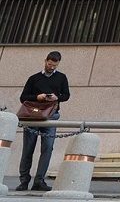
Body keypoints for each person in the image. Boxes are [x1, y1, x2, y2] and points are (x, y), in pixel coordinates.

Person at [17, 51, 70, 192]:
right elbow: (23, 97)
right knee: (28, 149)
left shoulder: (62, 77)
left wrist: (56, 97)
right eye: (49, 64)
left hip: (51, 116)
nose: (51, 67)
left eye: (54, 65)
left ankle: (39, 181)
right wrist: (38, 97)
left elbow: (66, 95)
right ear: (45, 61)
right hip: (33, 116)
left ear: (58, 64)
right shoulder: (34, 78)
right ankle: (24, 181)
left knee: (48, 148)